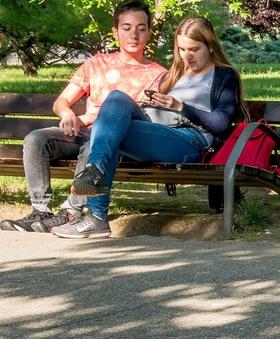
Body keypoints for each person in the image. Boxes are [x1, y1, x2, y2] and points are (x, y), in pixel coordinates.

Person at [51, 16, 244, 239]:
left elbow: (221, 123)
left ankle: (96, 212)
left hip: (192, 141)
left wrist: (180, 106)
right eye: (181, 49)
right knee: (115, 100)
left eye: (194, 49)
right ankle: (96, 177)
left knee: (109, 131)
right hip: (160, 132)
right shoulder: (177, 74)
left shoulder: (223, 75)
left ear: (210, 46)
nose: (187, 56)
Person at [0, 0, 166, 233]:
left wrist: (92, 121)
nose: (134, 35)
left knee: (94, 146)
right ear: (115, 31)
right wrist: (67, 113)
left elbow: (147, 117)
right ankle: (40, 211)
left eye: (141, 28)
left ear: (149, 31)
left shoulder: (159, 75)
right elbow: (61, 102)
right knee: (36, 139)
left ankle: (71, 212)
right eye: (126, 28)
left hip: (114, 140)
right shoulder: (96, 64)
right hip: (81, 131)